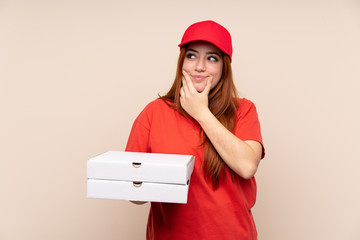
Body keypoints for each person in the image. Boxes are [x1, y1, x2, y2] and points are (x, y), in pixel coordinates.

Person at [125, 20, 265, 240]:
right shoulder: (153, 113)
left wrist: (201, 112)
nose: (200, 66)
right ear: (182, 62)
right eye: (191, 56)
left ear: (224, 67)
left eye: (211, 58)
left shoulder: (243, 110)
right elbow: (133, 192)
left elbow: (247, 166)